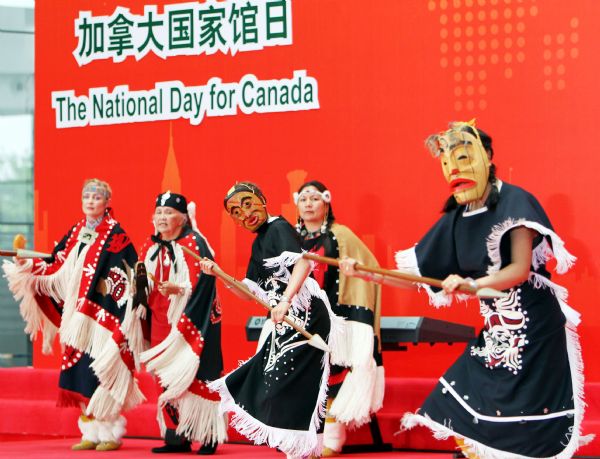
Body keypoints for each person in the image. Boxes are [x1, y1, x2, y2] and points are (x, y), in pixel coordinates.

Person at [341, 120, 592, 458]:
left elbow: (518, 271)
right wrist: (369, 275)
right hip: (496, 326)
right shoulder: (457, 216)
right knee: (461, 399)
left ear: (487, 156)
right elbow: (415, 275)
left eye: (462, 157)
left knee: (528, 418)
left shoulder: (517, 202)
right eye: (446, 162)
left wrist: (473, 285)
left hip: (534, 325)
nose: (453, 169)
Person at [199, 181, 345, 459]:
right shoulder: (260, 242)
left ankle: (304, 449)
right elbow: (250, 293)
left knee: (288, 382)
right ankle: (301, 449)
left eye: (247, 203)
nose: (245, 213)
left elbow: (304, 262)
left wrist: (287, 300)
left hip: (307, 313)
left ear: (262, 199)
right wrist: (219, 273)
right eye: (236, 211)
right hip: (286, 317)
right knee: (274, 382)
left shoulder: (278, 228)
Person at [2, 178, 144, 451]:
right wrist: (27, 263)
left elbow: (124, 276)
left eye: (96, 197)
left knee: (99, 371)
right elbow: (57, 262)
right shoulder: (78, 230)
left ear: (107, 203)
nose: (91, 201)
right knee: (79, 369)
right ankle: (90, 432)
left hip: (102, 320)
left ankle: (110, 433)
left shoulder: (117, 235)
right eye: (86, 197)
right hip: (76, 315)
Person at [294, 180, 384, 456]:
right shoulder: (290, 238)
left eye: (315, 198)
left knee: (331, 374)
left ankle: (332, 438)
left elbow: (371, 271)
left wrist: (353, 274)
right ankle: (303, 437)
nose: (309, 204)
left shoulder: (340, 235)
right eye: (304, 199)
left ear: (327, 203)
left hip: (334, 316)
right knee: (300, 377)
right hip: (300, 316)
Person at [136, 191, 227, 454]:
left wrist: (180, 290)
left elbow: (205, 281)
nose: (163, 218)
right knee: (166, 377)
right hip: (161, 321)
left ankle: (208, 435)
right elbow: (142, 283)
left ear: (183, 218)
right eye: (159, 212)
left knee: (199, 375)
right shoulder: (150, 247)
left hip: (195, 322)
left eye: (169, 213)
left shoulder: (194, 243)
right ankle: (176, 437)